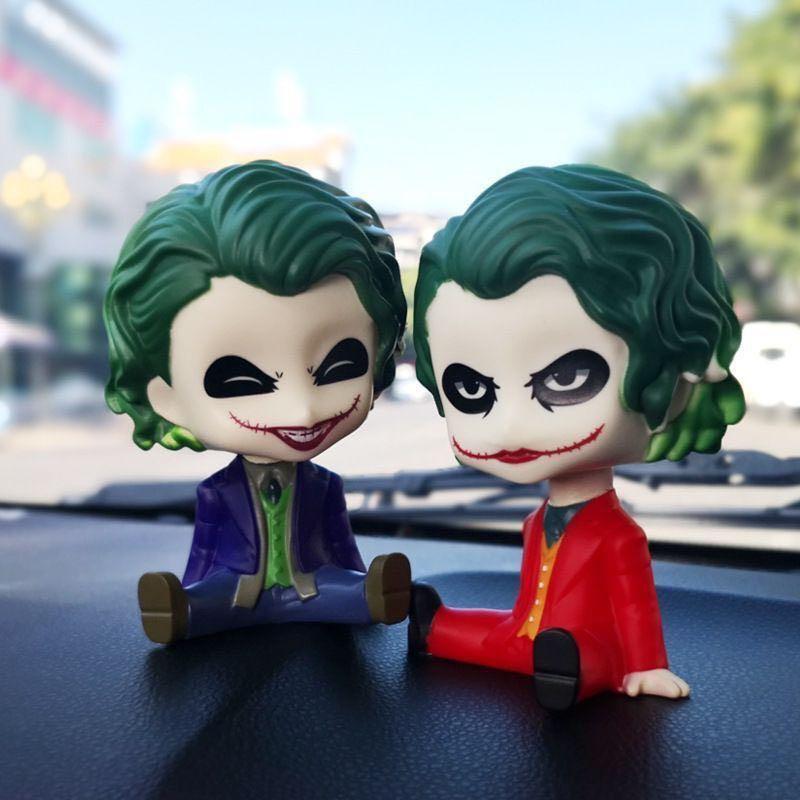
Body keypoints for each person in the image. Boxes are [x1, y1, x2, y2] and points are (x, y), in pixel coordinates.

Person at [409, 164, 745, 709]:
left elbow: (635, 607)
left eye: (565, 379)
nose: (511, 425)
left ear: (676, 378)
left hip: (592, 650)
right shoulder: (538, 521)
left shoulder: (618, 535)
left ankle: (561, 666)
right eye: (471, 389)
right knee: (499, 641)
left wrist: (646, 666)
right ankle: (435, 627)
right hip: (526, 636)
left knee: (578, 658)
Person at [104, 160, 410, 644]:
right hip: (237, 591)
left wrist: (359, 579)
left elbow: (341, 545)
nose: (302, 409)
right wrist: (193, 587)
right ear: (165, 396)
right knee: (208, 601)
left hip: (315, 588)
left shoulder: (325, 486)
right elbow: (204, 554)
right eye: (240, 379)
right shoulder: (216, 492)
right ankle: (182, 610)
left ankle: (368, 598)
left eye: (339, 365)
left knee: (346, 591)